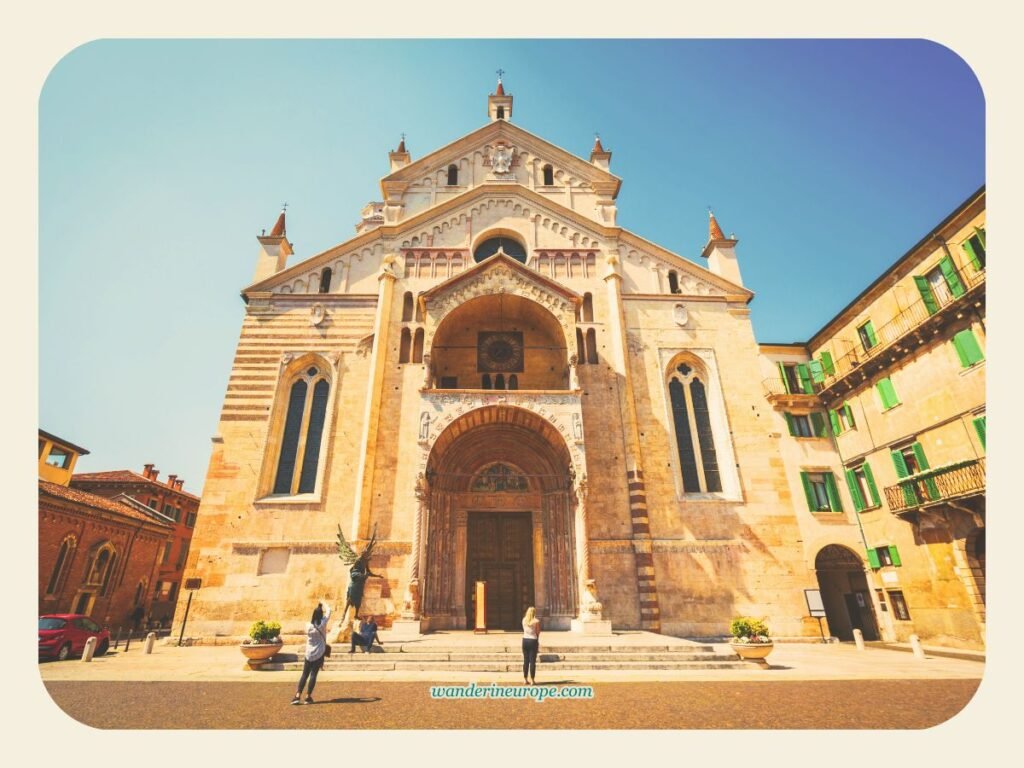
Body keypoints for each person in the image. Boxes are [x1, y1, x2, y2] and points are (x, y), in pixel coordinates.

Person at [292, 601, 332, 705]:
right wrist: (324, 603)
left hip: (308, 653)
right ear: (321, 615)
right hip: (319, 653)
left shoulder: (308, 626)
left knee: (304, 674)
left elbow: (313, 622)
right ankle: (308, 696)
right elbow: (329, 611)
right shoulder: (323, 624)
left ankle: (297, 695)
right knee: (313, 674)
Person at [522, 606, 540, 685]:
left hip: (525, 640)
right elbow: (538, 632)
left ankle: (525, 679)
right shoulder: (536, 621)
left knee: (526, 661)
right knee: (532, 661)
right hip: (533, 640)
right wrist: (537, 639)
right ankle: (532, 680)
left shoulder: (524, 620)